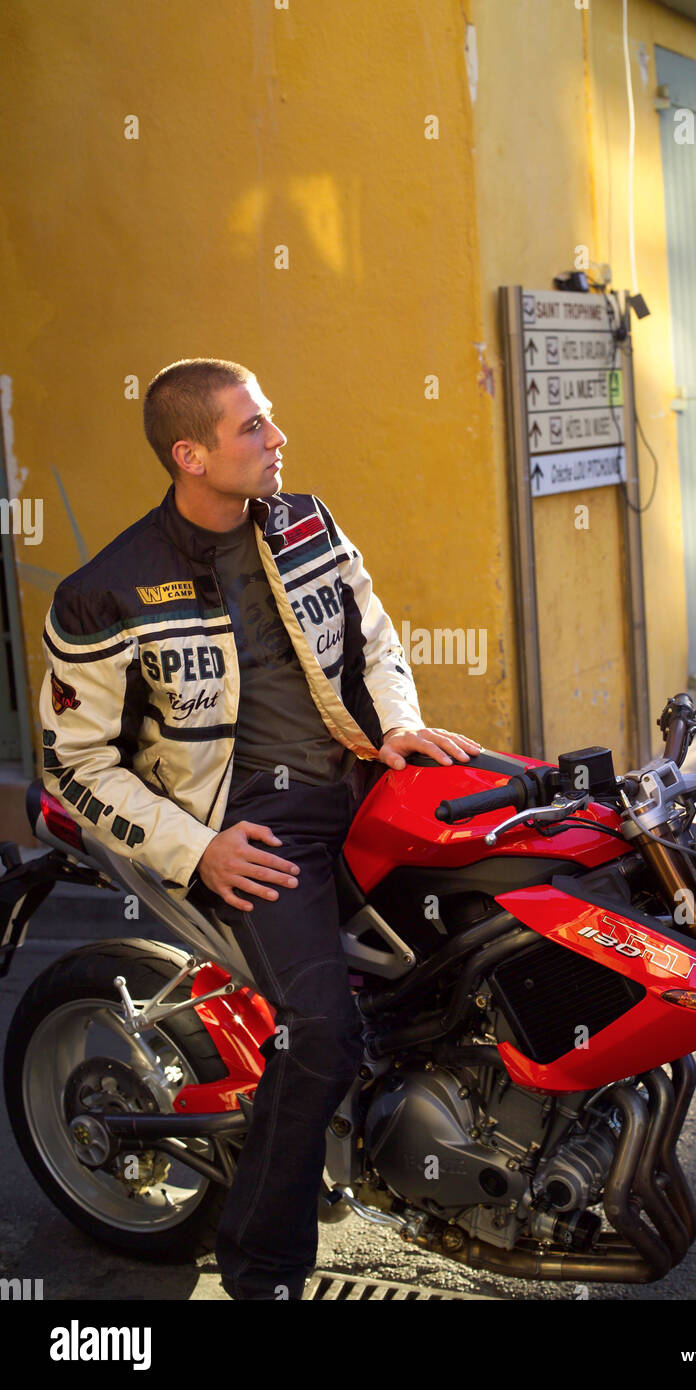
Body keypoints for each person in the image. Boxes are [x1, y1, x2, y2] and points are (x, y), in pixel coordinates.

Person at [38, 356, 482, 1300]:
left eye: (270, 422)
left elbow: (376, 637)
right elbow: (71, 765)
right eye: (254, 429)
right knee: (321, 1028)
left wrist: (399, 723)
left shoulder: (306, 523)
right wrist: (200, 850)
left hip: (362, 774)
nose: (278, 440)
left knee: (497, 909)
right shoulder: (105, 590)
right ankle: (262, 1267)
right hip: (249, 828)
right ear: (190, 454)